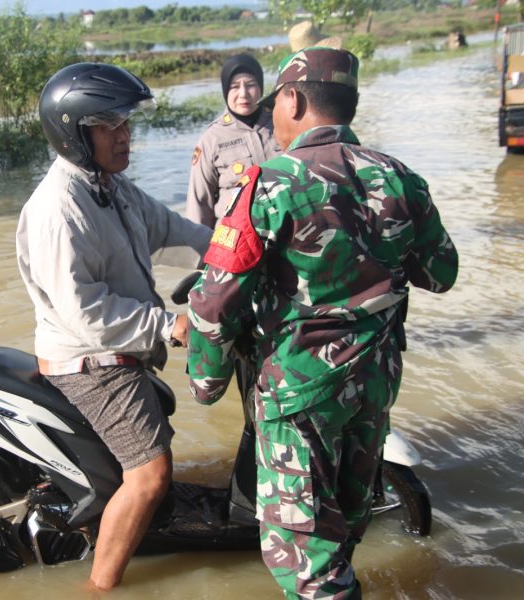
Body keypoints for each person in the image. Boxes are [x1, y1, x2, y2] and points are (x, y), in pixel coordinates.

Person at [186, 47, 458, 599]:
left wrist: (206, 384)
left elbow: (213, 303)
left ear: (292, 99)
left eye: (274, 101)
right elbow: (441, 272)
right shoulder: (402, 177)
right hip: (375, 384)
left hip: (299, 392)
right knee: (344, 532)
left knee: (307, 563)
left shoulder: (267, 185)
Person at [16, 62, 212, 591]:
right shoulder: (60, 208)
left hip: (116, 347)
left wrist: (229, 250)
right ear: (76, 133)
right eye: (110, 126)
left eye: (127, 123)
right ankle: (99, 587)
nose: (126, 136)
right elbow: (87, 311)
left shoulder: (110, 187)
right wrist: (170, 325)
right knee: (150, 474)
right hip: (89, 359)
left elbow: (170, 228)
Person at [185, 53, 280, 228]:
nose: (243, 93)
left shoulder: (281, 123)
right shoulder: (211, 139)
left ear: (261, 87)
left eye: (251, 85)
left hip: (284, 237)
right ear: (224, 90)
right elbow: (199, 205)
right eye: (235, 87)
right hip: (236, 243)